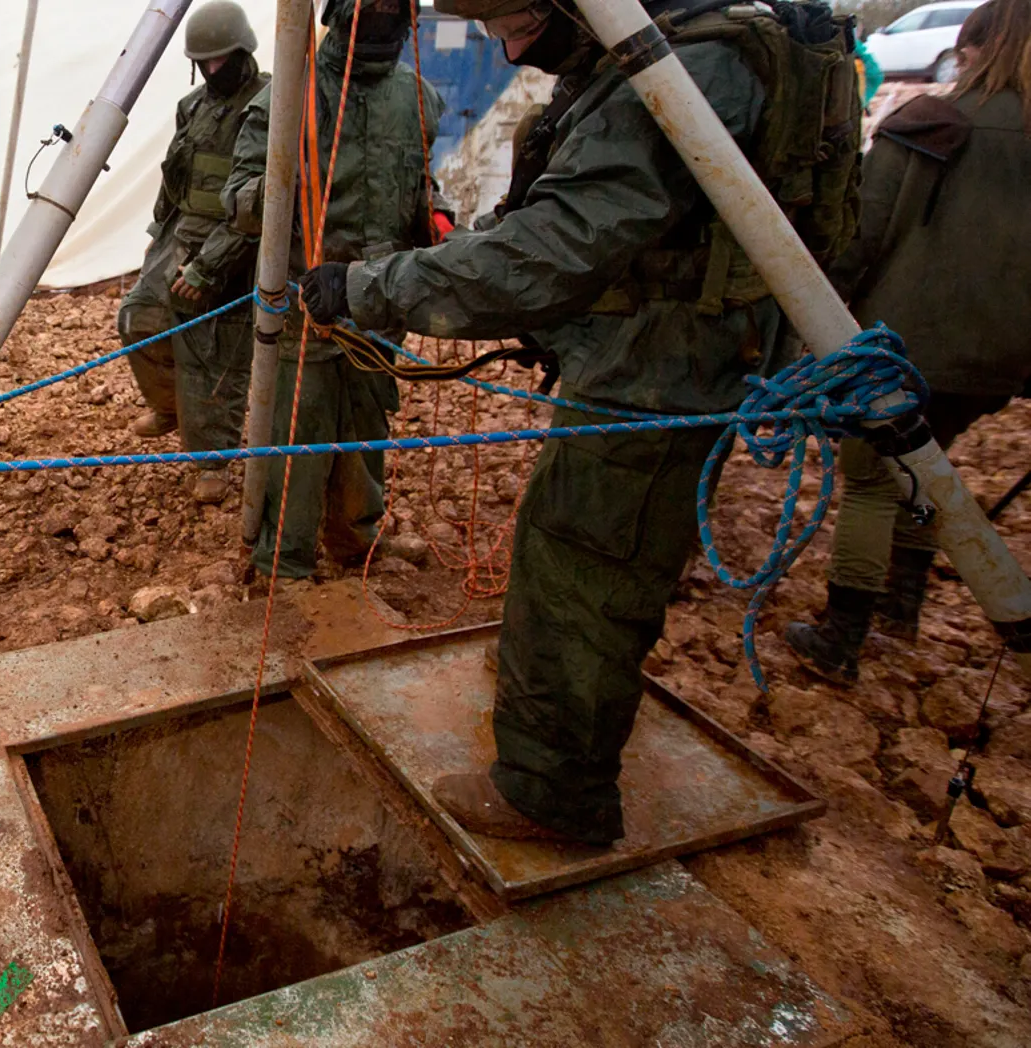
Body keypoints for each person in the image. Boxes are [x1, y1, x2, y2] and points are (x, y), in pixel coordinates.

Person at [299, 0, 860, 844]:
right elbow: (564, 220)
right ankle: (550, 694)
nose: (504, 44)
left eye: (511, 22)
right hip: (652, 362)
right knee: (577, 556)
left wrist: (370, 289)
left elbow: (559, 247)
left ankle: (552, 790)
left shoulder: (688, 69)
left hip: (656, 379)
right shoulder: (672, 54)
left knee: (584, 571)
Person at [784, 0, 1031, 684]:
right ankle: (902, 607)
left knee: (871, 480)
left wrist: (818, 322)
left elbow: (860, 236)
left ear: (974, 49)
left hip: (903, 347)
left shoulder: (933, 123)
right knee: (929, 466)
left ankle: (842, 636)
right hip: (997, 361)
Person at [223, 0, 444, 574]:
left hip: (378, 308)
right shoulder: (289, 97)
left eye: (397, 5)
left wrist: (439, 221)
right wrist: (280, 188)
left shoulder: (416, 97)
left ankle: (355, 542)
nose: (385, 14)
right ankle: (285, 562)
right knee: (299, 440)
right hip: (306, 310)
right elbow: (239, 200)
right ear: (340, 12)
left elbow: (420, 185)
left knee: (367, 433)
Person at [116, 1, 271, 504]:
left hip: (237, 240)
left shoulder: (269, 104)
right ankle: (172, 407)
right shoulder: (193, 106)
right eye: (204, 63)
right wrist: (160, 235)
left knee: (214, 348)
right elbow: (175, 173)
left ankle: (213, 460)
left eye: (221, 60)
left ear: (243, 53)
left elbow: (256, 202)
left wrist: (211, 264)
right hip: (181, 232)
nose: (212, 70)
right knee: (138, 319)